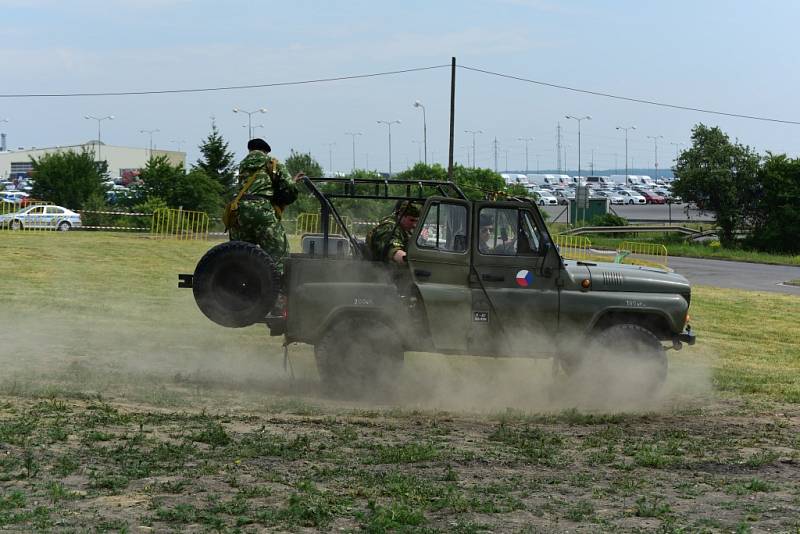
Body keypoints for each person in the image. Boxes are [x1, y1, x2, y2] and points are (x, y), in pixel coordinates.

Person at [229, 138, 304, 274]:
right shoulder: (272, 164)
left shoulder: (242, 165)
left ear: (250, 150)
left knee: (240, 253)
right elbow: (289, 189)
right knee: (279, 253)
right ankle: (279, 291)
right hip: (262, 211)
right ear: (265, 152)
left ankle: (236, 287)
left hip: (239, 212)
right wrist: (292, 185)